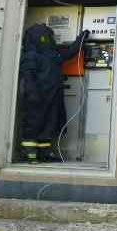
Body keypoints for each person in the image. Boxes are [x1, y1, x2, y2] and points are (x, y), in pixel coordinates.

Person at [18, 24, 89, 163]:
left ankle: (44, 154)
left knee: (49, 124)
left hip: (52, 97)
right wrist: (32, 93)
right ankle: (30, 154)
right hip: (37, 96)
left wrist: (81, 38)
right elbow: (27, 76)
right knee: (34, 124)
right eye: (47, 36)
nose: (50, 39)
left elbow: (70, 52)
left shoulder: (53, 53)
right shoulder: (32, 55)